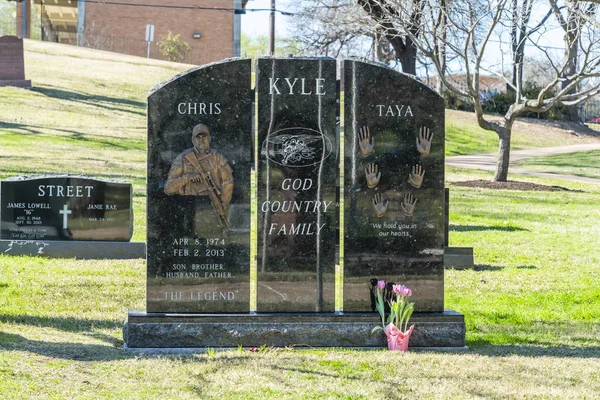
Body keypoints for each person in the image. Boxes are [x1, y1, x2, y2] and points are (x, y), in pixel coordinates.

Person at [164, 124, 233, 227]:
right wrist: (186, 178)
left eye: (204, 137)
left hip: (211, 204)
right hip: (187, 205)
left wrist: (223, 203)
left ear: (209, 138)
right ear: (193, 140)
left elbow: (228, 181)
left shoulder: (217, 157)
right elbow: (168, 188)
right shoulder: (182, 158)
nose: (201, 140)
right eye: (198, 137)